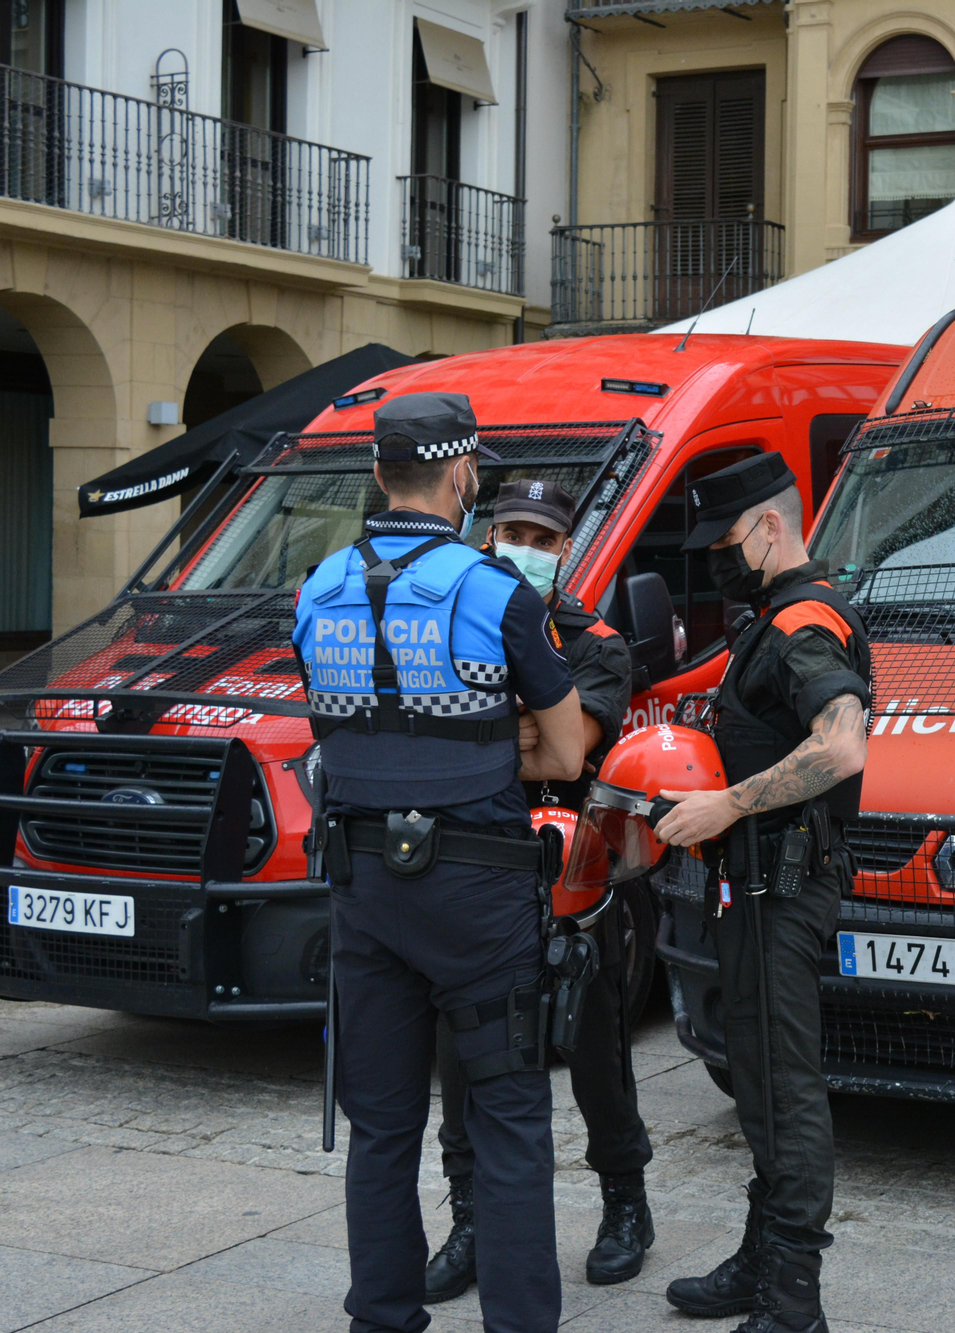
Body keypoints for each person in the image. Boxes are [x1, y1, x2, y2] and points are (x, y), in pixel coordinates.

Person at [294, 392, 583, 1333]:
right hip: (478, 890)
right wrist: (493, 747)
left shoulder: (316, 588)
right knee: (507, 1119)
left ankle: (381, 1316)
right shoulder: (499, 592)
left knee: (381, 1125)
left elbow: (339, 734)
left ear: (379, 473)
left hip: (363, 886)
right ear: (463, 474)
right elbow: (566, 752)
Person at [425, 478, 657, 1302]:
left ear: (566, 548)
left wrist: (469, 733)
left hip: (576, 881)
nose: (525, 548)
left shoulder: (598, 643)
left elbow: (570, 747)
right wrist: (517, 731)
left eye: (542, 538)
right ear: (489, 536)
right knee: (463, 1057)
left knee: (595, 1054)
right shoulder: (451, 621)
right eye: (512, 532)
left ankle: (625, 1203)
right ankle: (470, 1220)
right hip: (475, 872)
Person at [654, 453, 870, 1333]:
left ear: (771, 527)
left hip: (783, 880)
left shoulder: (803, 621)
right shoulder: (771, 619)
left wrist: (729, 804)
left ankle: (793, 1299)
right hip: (752, 881)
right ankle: (763, 1255)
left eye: (727, 542)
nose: (718, 560)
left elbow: (842, 744)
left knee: (784, 1083)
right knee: (758, 1077)